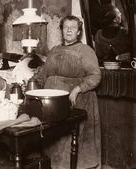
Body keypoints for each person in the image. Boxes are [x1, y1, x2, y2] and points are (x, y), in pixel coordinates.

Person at [34, 15, 101, 169]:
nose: (69, 30)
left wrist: (78, 89)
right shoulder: (55, 50)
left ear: (78, 32)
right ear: (62, 30)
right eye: (66, 27)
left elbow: (95, 75)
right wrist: (33, 83)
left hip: (76, 99)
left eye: (73, 27)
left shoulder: (85, 50)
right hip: (53, 101)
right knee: (55, 139)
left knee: (71, 138)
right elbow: (44, 73)